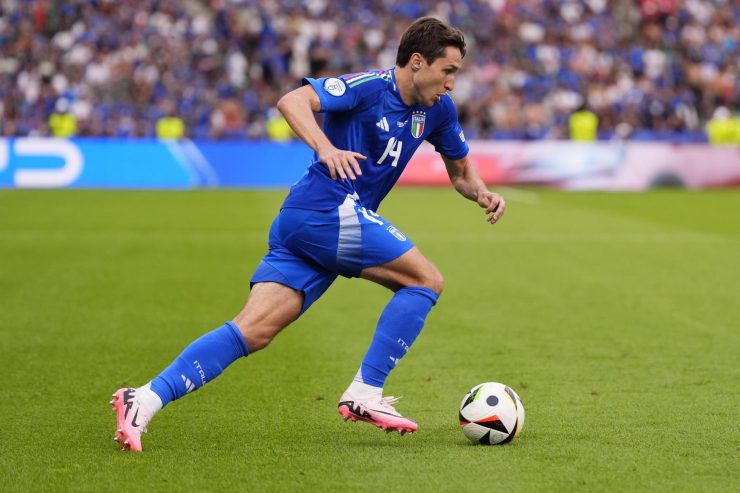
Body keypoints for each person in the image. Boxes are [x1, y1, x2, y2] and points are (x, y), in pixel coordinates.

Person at [111, 17, 506, 452]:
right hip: (324, 208)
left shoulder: (439, 111)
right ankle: (365, 391)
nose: (452, 83)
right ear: (417, 62)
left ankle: (143, 399)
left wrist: (482, 194)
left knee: (254, 330)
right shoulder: (370, 87)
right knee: (425, 280)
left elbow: (462, 172)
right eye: (447, 70)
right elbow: (292, 101)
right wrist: (326, 147)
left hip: (311, 222)